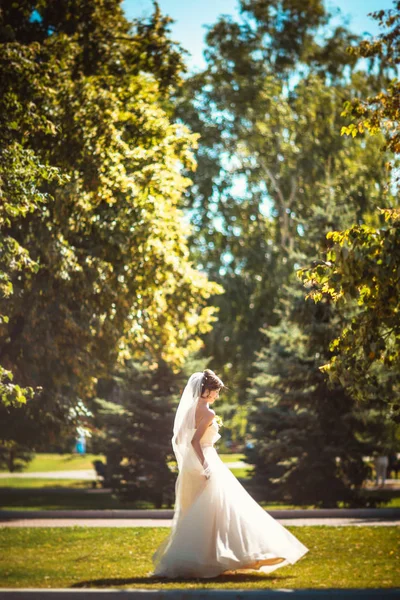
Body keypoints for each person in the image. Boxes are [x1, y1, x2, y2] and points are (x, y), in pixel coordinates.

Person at [152, 369, 309, 578]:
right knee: (223, 509)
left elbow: (181, 440)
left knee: (198, 513)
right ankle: (231, 555)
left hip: (191, 464)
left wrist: (192, 461)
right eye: (215, 391)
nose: (217, 395)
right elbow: (194, 441)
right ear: (206, 390)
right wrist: (206, 466)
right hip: (204, 461)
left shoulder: (190, 410)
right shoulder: (207, 413)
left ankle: (200, 558)